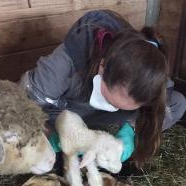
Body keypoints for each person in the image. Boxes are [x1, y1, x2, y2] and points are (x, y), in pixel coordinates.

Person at [19, 10, 186, 167]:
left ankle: (120, 130)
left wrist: (130, 132)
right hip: (67, 111)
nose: (114, 108)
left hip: (100, 117)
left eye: (121, 106)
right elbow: (22, 108)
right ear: (102, 66)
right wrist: (56, 137)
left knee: (177, 103)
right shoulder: (60, 69)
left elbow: (165, 104)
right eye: (109, 101)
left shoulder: (148, 73)